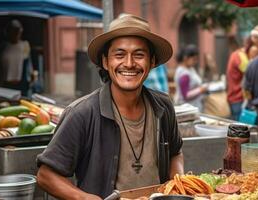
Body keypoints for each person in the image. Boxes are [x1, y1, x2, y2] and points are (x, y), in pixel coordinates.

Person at [36, 14, 184, 199]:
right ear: (105, 62)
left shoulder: (163, 106)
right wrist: (85, 198)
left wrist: (178, 183)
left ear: (152, 62)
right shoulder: (82, 113)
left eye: (139, 55)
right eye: (119, 54)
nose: (129, 63)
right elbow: (46, 175)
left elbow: (175, 152)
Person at [226, 26, 258, 120]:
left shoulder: (239, 54)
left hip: (239, 99)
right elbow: (253, 74)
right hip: (239, 100)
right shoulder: (240, 57)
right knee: (241, 130)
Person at [0, 19, 34, 97]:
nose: (16, 34)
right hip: (5, 85)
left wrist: (32, 77)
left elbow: (29, 64)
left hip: (22, 85)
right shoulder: (3, 47)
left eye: (18, 31)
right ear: (8, 32)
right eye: (13, 31)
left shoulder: (25, 45)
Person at [174, 44, 208, 111]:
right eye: (194, 59)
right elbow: (185, 95)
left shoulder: (190, 69)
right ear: (185, 58)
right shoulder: (184, 73)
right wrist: (200, 90)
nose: (196, 62)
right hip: (188, 109)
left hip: (194, 106)